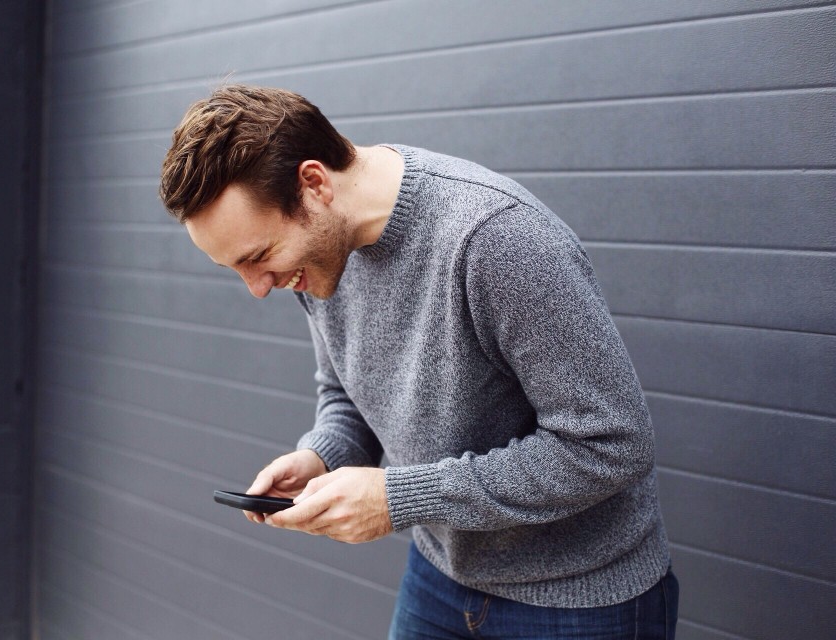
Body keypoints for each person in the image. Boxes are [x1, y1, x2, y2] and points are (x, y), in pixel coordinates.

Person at [159, 84, 679, 639]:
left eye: (258, 257)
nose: (258, 288)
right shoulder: (316, 256)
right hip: (438, 578)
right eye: (235, 268)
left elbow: (611, 444)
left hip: (579, 601)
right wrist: (323, 455)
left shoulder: (495, 240)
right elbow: (344, 392)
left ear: (313, 184)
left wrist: (398, 497)